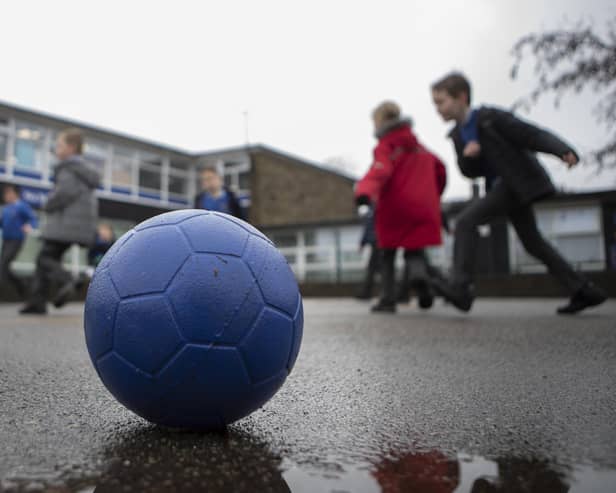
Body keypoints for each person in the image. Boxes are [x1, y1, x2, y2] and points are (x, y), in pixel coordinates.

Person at [430, 72, 607, 314]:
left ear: (461, 97)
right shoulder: (458, 134)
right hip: (502, 188)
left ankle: (461, 287)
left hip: (516, 183)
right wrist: (469, 157)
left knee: (465, 221)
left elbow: (529, 134)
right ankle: (584, 290)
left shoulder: (490, 118)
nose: (437, 109)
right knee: (532, 243)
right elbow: (469, 172)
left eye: (441, 102)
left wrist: (560, 149)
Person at [355, 101, 447, 313]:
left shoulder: (386, 146)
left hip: (395, 208)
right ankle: (421, 281)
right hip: (423, 207)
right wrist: (433, 195)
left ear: (380, 122)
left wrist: (364, 191)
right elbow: (440, 169)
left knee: (387, 254)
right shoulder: (420, 147)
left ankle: (387, 300)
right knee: (414, 251)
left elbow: (381, 170)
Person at [20, 128, 100, 314]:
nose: (57, 149)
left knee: (44, 258)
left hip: (65, 224)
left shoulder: (69, 168)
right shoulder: (83, 170)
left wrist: (48, 203)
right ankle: (37, 302)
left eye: (60, 145)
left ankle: (67, 280)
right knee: (46, 259)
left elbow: (64, 193)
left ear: (71, 148)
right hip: (77, 225)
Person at [0, 184, 38, 297]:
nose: (6, 196)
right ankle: (23, 286)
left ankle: (15, 288)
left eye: (8, 193)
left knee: (3, 264)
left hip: (16, 239)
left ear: (15, 194)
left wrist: (30, 226)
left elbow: (33, 218)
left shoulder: (22, 206)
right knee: (4, 266)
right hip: (6, 240)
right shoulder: (6, 209)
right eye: (5, 194)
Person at [356, 205, 381, 300]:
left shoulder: (369, 215)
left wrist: (362, 244)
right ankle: (367, 292)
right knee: (380, 269)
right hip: (381, 243)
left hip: (377, 244)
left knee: (373, 269)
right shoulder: (373, 212)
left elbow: (367, 232)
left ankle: (366, 293)